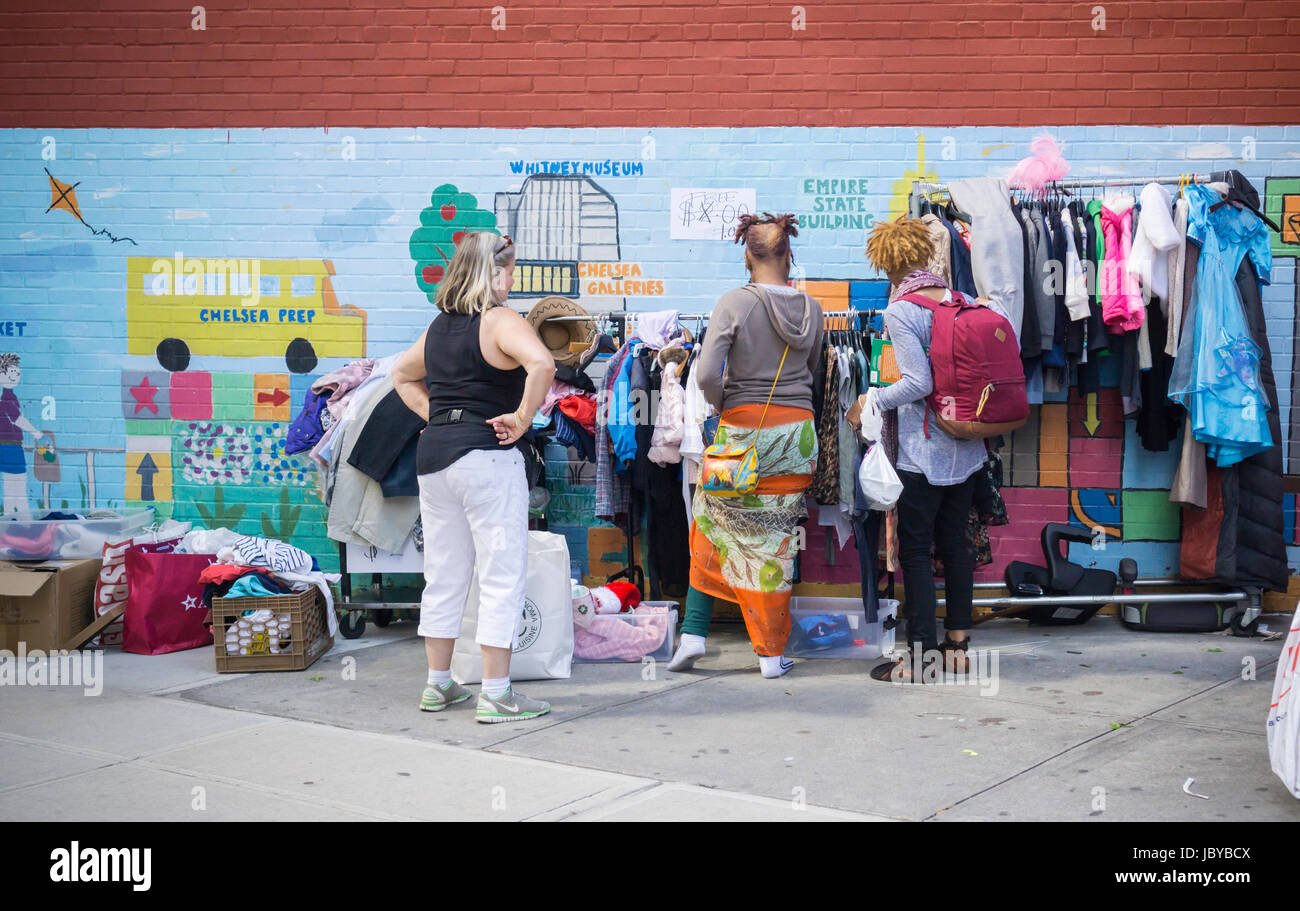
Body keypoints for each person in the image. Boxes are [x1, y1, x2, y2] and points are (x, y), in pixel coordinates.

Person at [391, 231, 557, 722]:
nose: (512, 281)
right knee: (501, 574)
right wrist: (523, 418)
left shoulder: (438, 329)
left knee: (443, 575)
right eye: (509, 272)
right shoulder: (501, 321)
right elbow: (542, 363)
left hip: (434, 460)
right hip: (486, 458)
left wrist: (437, 415)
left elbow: (401, 375)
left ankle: (438, 685)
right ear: (494, 273)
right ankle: (497, 693)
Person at [667, 213, 823, 678]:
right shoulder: (813, 309)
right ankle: (771, 654)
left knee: (710, 524)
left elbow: (707, 375)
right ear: (787, 253)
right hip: (798, 436)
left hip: (743, 430)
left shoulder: (734, 302)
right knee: (773, 541)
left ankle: (694, 634)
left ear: (747, 256)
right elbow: (813, 372)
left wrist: (723, 405)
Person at [851, 216, 996, 682]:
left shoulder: (901, 311)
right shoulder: (962, 300)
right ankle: (957, 647)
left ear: (886, 265)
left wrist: (872, 400)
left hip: (922, 452)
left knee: (914, 550)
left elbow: (918, 383)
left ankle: (919, 658)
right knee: (955, 546)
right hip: (967, 446)